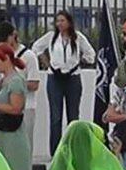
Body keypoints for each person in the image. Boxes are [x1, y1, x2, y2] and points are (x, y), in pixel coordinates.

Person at [31, 10, 96, 155]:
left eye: (62, 21)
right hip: (55, 77)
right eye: (57, 21)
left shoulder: (78, 37)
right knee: (55, 117)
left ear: (69, 22)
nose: (59, 24)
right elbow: (36, 47)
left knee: (73, 116)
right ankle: (56, 152)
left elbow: (90, 54)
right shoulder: (51, 37)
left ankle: (74, 149)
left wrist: (79, 62)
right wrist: (48, 63)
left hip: (73, 77)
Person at [0, 22, 41, 163]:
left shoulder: (29, 56)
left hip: (26, 107)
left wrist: (15, 85)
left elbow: (34, 83)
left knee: (24, 146)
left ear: (13, 36)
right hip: (6, 108)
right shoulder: (2, 57)